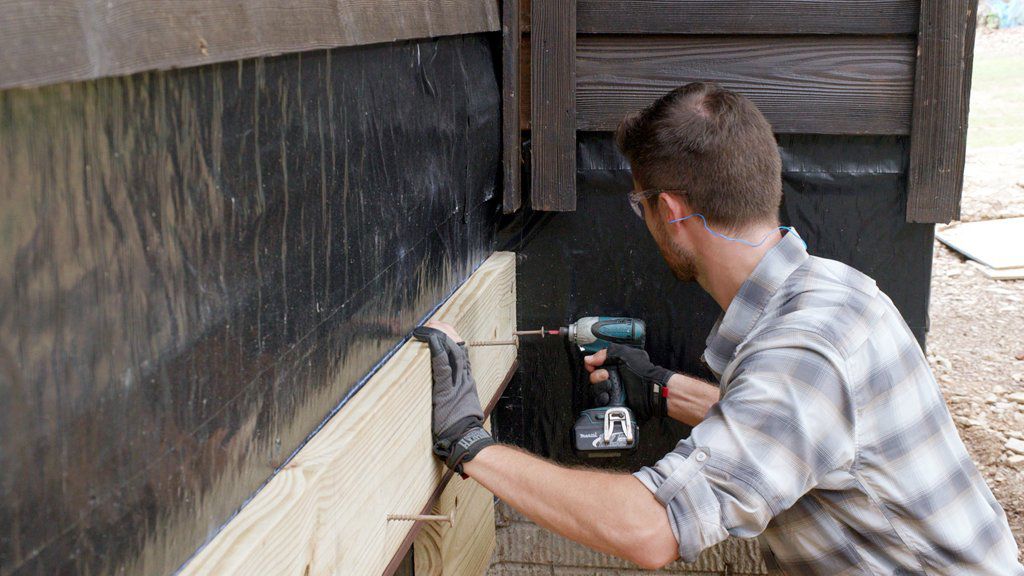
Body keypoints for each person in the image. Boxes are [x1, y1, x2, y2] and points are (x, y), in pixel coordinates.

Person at [412, 82, 1024, 574]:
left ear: (672, 211)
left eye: (640, 204)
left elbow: (653, 529)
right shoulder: (831, 292)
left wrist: (471, 444)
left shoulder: (803, 352)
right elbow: (786, 432)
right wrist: (658, 387)